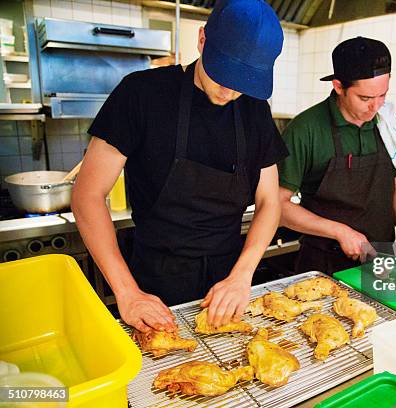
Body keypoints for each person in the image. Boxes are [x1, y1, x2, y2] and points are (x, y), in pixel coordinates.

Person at [72, 0, 288, 332]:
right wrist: (128, 292)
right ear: (202, 40)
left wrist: (242, 275)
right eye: (224, 74)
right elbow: (87, 195)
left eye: (243, 83)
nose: (230, 91)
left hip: (231, 282)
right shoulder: (141, 94)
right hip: (155, 285)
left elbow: (270, 202)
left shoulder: (255, 110)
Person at [278, 37, 396, 275]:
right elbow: (277, 207)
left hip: (380, 263)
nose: (376, 107)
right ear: (339, 86)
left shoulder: (389, 124)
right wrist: (340, 231)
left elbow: (395, 184)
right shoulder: (306, 129)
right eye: (365, 98)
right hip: (323, 265)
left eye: (382, 95)